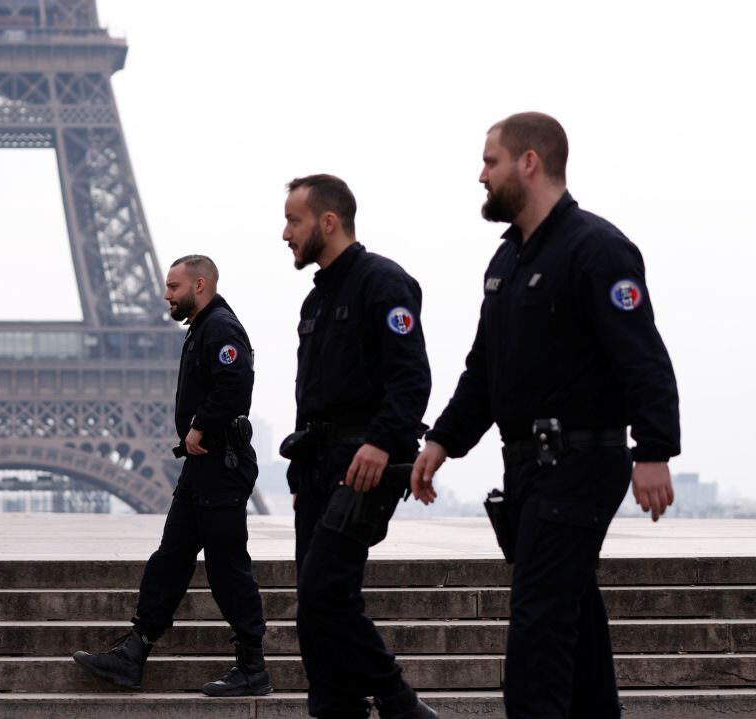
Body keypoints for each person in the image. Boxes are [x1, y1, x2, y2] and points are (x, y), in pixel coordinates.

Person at [410, 112, 680, 718]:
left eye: (490, 161)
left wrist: (655, 449)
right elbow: (484, 371)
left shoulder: (597, 248)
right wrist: (442, 441)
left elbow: (643, 358)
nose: (481, 175)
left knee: (536, 635)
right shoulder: (505, 263)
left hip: (581, 463)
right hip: (528, 471)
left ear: (528, 162)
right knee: (573, 625)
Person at [73, 254, 271, 697]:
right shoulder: (202, 327)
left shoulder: (219, 327)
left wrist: (201, 424)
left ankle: (253, 666)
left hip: (220, 464)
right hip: (201, 467)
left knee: (227, 567)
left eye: (174, 287)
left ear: (200, 285)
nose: (166, 295)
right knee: (171, 559)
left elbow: (236, 384)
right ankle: (133, 654)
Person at [281, 174, 436, 719]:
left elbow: (411, 380)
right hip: (320, 466)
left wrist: (379, 444)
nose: (284, 233)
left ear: (328, 222)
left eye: (293, 220)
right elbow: (311, 398)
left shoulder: (384, 283)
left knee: (326, 592)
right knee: (312, 606)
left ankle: (398, 700)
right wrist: (301, 479)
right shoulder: (316, 300)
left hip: (363, 466)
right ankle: (336, 708)